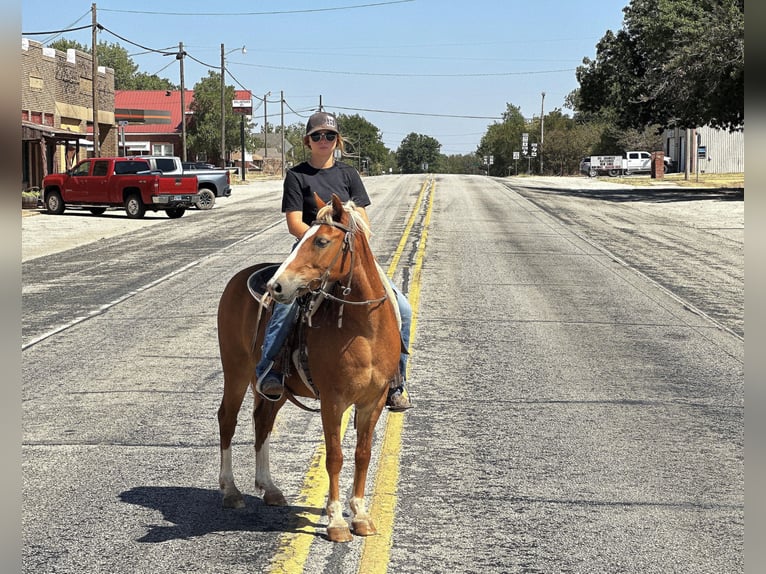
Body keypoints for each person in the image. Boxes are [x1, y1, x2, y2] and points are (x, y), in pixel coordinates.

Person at [255, 111, 413, 411]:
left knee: (401, 307)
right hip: (310, 255)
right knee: (286, 305)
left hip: (350, 254)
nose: (323, 141)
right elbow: (294, 223)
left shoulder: (349, 175)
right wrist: (321, 244)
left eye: (329, 136)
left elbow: (363, 218)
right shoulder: (297, 176)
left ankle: (396, 380)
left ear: (337, 141)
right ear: (308, 141)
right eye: (317, 136)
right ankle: (270, 367)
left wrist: (346, 242)